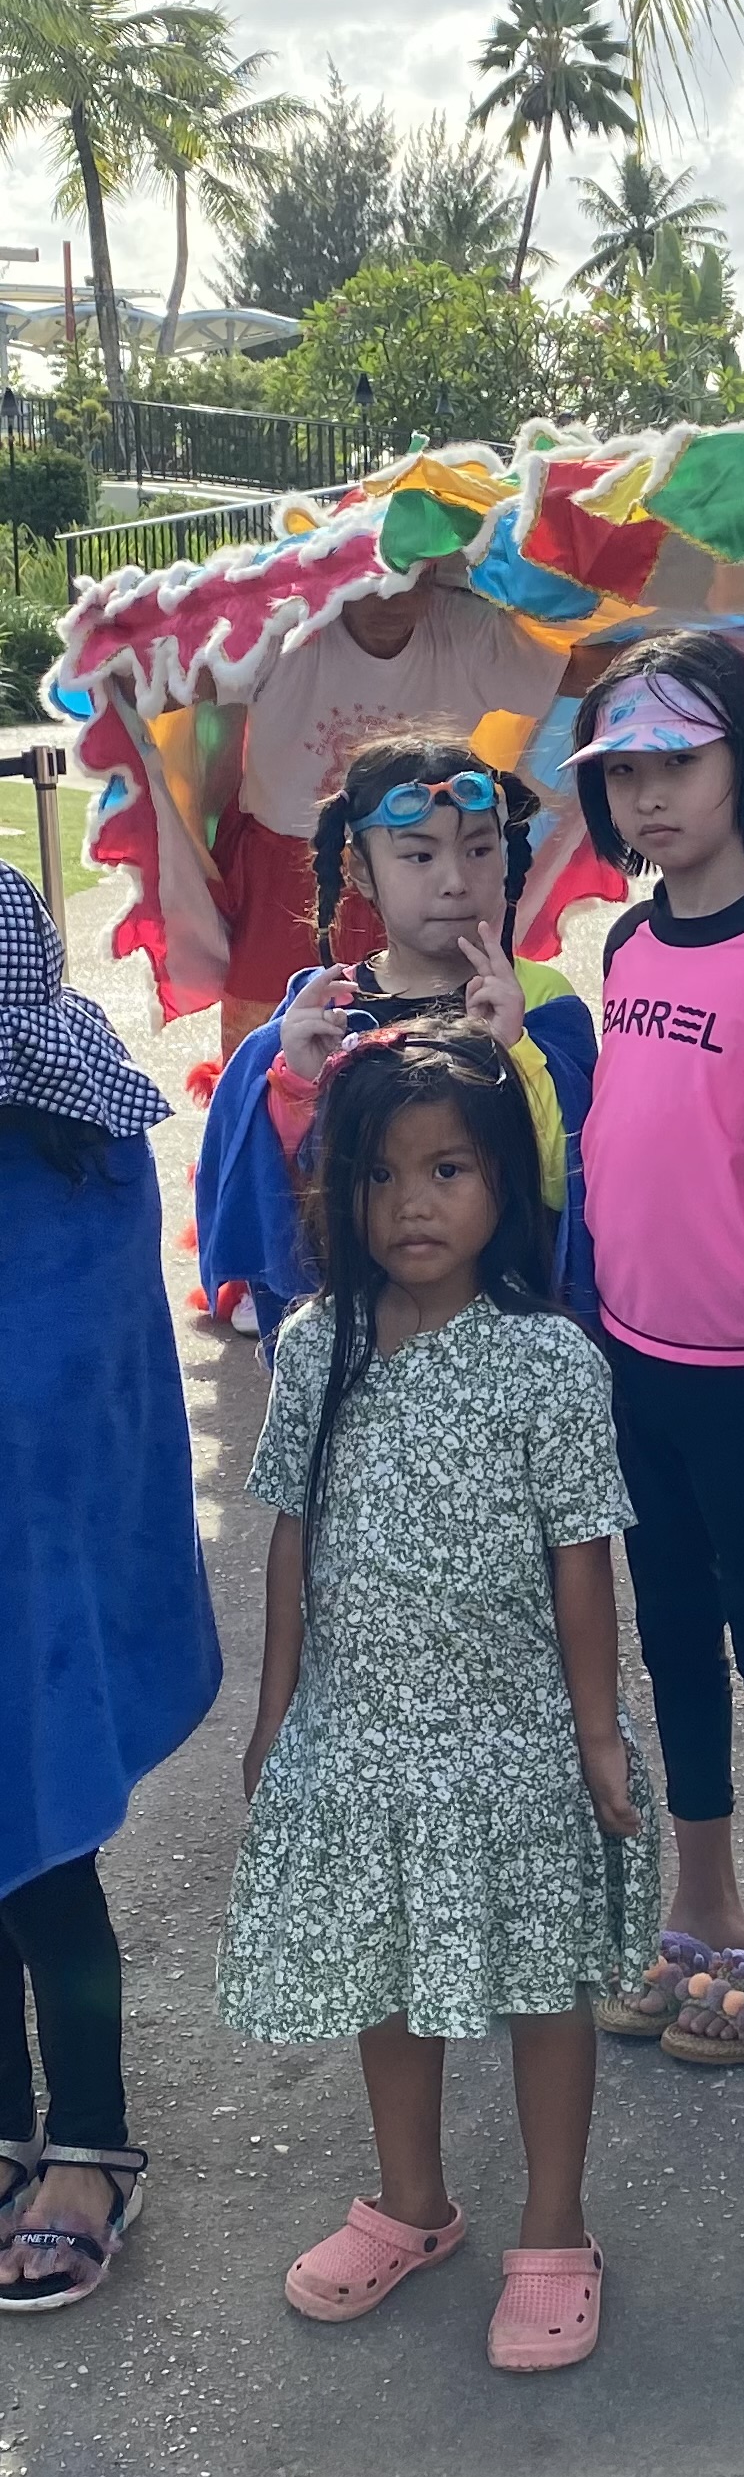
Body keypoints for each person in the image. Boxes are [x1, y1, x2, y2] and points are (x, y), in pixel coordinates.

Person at [222, 1024, 656, 2370]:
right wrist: (276, 1709)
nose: (414, 1205)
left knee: (543, 1989)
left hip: (516, 1738)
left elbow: (582, 1559)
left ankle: (554, 2224)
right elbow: (292, 1531)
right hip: (361, 1738)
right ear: (336, 1191)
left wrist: (595, 1734)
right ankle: (412, 2205)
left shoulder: (550, 1363)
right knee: (385, 1983)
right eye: (382, 1176)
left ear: (506, 1188)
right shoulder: (313, 1346)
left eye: (450, 1170)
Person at [567, 633, 744, 2065]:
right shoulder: (622, 946)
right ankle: (703, 1896)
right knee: (670, 1628)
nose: (645, 795)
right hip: (633, 1363)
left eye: (674, 761)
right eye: (621, 769)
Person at [0, 862, 220, 2312]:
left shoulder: (74, 1156)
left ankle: (87, 2139)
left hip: (31, 1595)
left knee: (44, 1862)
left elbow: (83, 1395)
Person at [196, 737, 599, 1342]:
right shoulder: (324, 1011)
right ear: (360, 870)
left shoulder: (540, 1001)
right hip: (358, 1333)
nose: (456, 881)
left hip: (507, 1332)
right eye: (419, 856)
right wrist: (295, 1086)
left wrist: (516, 1050)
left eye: (479, 849)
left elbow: (569, 1179)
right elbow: (284, 1193)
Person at [210, 572, 570, 1053]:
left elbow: (576, 669)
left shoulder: (466, 624)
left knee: (442, 1027)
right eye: (371, 580)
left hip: (430, 848)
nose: (391, 599)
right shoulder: (284, 626)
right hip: (287, 875)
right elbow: (164, 684)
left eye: (412, 580)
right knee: (276, 1039)